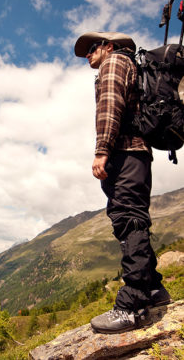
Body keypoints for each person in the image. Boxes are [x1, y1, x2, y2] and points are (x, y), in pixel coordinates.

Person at [74, 32, 172, 334]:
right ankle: (153, 289)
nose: (88, 55)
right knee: (130, 221)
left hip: (125, 153)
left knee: (129, 222)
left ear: (109, 46)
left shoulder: (115, 62)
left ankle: (133, 306)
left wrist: (102, 150)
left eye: (92, 48)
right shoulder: (128, 64)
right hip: (134, 155)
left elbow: (110, 106)